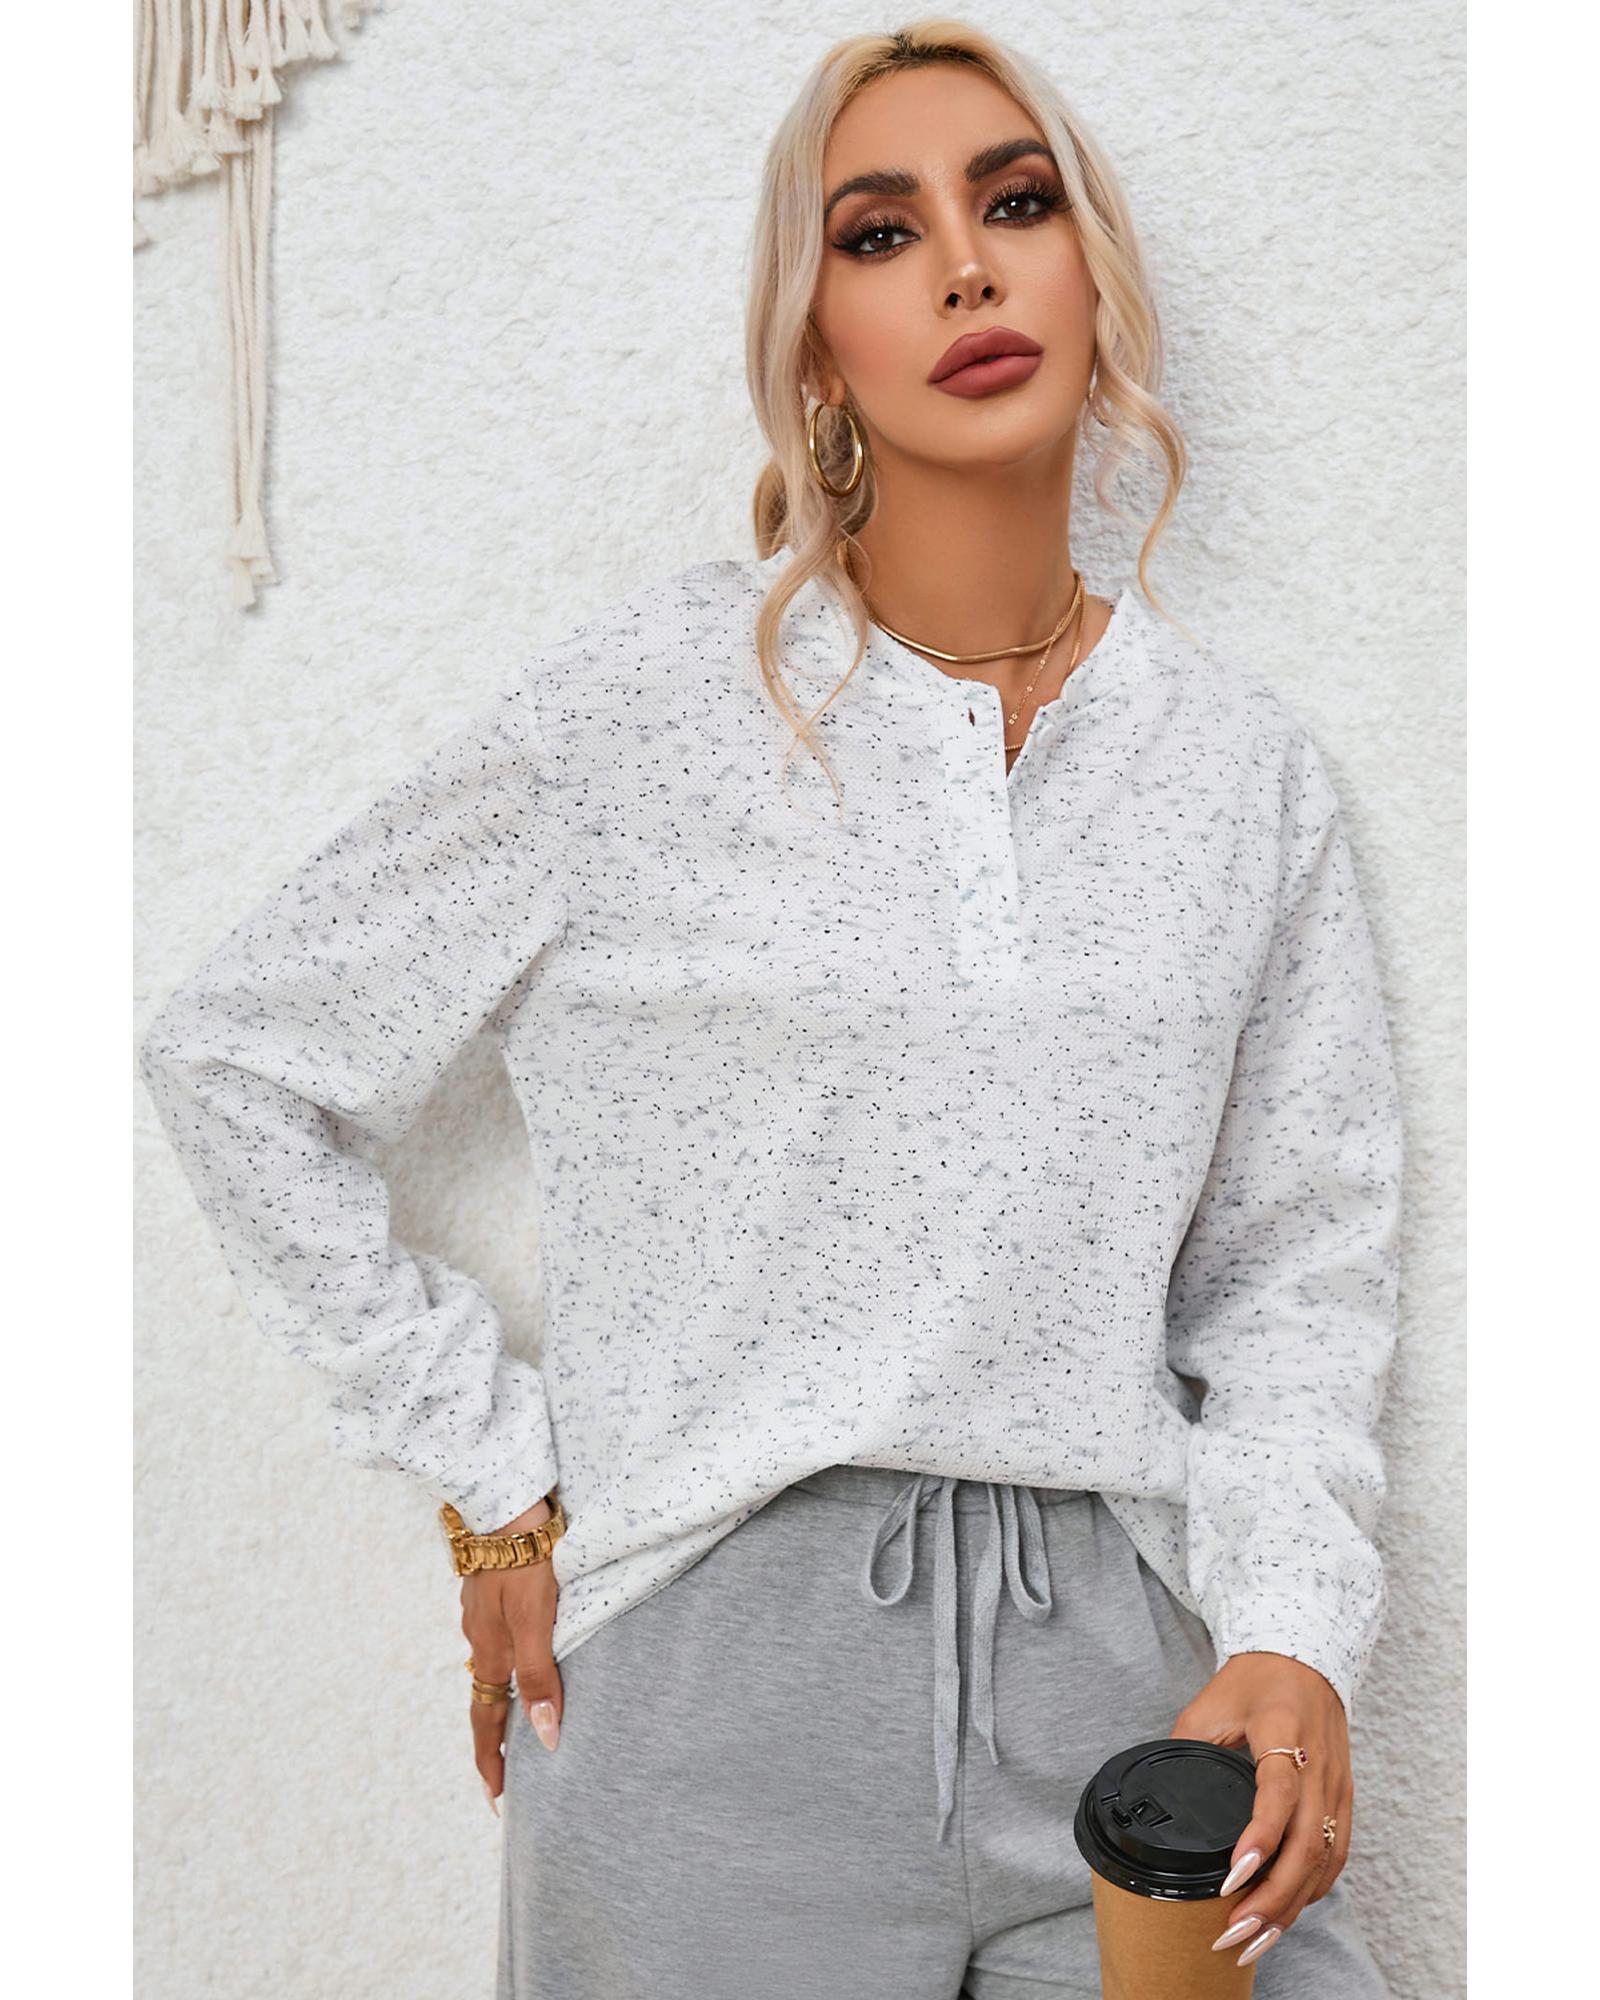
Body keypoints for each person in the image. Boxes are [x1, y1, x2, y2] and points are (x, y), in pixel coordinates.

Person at [138, 18, 1402, 1999]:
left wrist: (1294, 1626)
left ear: (1091, 274)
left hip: (1133, 1703)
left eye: (1014, 204)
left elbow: (1292, 1271)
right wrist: (489, 1482)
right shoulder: (646, 713)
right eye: (879, 233)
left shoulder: (1239, 775)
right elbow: (235, 1054)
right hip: (712, 1710)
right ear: (815, 344)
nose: (965, 268)